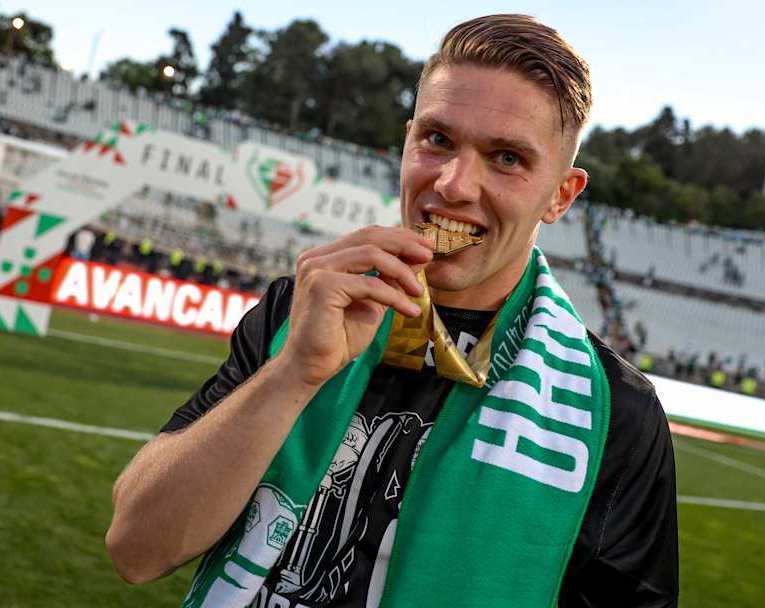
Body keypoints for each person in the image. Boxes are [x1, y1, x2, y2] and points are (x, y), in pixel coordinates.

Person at [105, 14, 678, 608]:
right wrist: (293, 373)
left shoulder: (615, 412)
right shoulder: (298, 309)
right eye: (438, 140)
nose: (454, 185)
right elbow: (136, 549)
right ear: (408, 141)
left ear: (560, 195)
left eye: (507, 158)